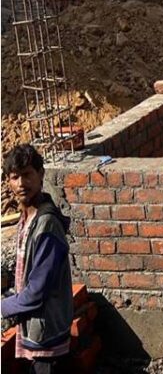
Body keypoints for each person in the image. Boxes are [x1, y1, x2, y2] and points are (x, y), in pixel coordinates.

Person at [0, 144, 73, 374]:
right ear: (8, 182)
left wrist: (3, 307)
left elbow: (37, 291)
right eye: (15, 177)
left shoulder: (46, 225)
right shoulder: (27, 216)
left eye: (27, 174)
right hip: (37, 332)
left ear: (41, 174)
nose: (22, 183)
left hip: (48, 337)